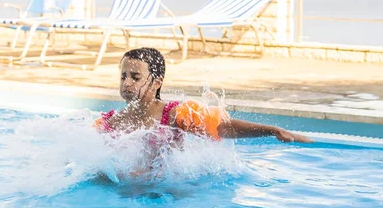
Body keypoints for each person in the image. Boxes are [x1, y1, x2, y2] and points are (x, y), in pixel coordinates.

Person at [93, 47, 314, 145]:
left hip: (166, 196)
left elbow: (223, 128)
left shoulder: (174, 115)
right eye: (123, 76)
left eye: (135, 77)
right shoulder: (110, 122)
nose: (127, 83)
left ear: (157, 82)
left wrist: (273, 130)